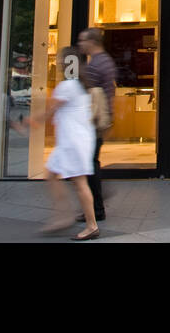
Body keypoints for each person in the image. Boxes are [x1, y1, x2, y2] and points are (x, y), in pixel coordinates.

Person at [12, 46, 99, 240]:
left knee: (80, 183)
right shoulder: (80, 84)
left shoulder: (68, 86)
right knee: (53, 174)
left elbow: (50, 111)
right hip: (74, 140)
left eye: (61, 61)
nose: (59, 64)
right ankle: (63, 215)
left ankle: (90, 225)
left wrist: (29, 121)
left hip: (73, 141)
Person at [78, 27, 116, 223]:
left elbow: (90, 95)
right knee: (90, 162)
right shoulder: (106, 61)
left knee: (89, 164)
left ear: (92, 42)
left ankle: (96, 208)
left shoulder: (95, 65)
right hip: (100, 119)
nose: (80, 44)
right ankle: (95, 205)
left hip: (93, 121)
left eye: (83, 41)